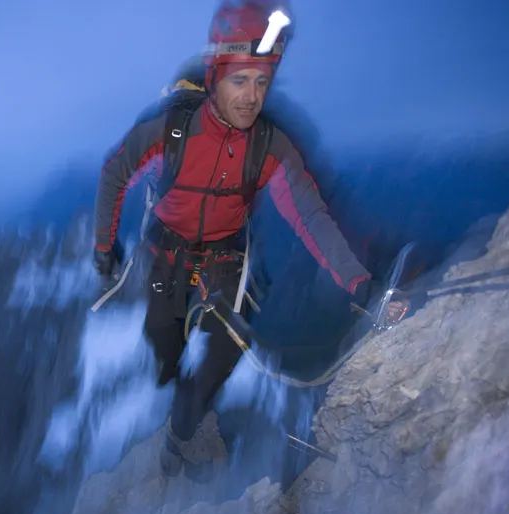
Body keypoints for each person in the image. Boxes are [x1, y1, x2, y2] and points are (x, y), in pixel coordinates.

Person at [92, 0, 397, 481]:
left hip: (226, 252)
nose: (252, 97)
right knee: (164, 339)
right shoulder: (171, 128)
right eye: (240, 79)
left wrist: (358, 283)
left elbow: (311, 215)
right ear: (215, 76)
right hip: (168, 248)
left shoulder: (270, 146)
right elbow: (115, 174)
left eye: (263, 81)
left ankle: (184, 429)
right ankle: (171, 372)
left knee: (228, 343)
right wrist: (103, 247)